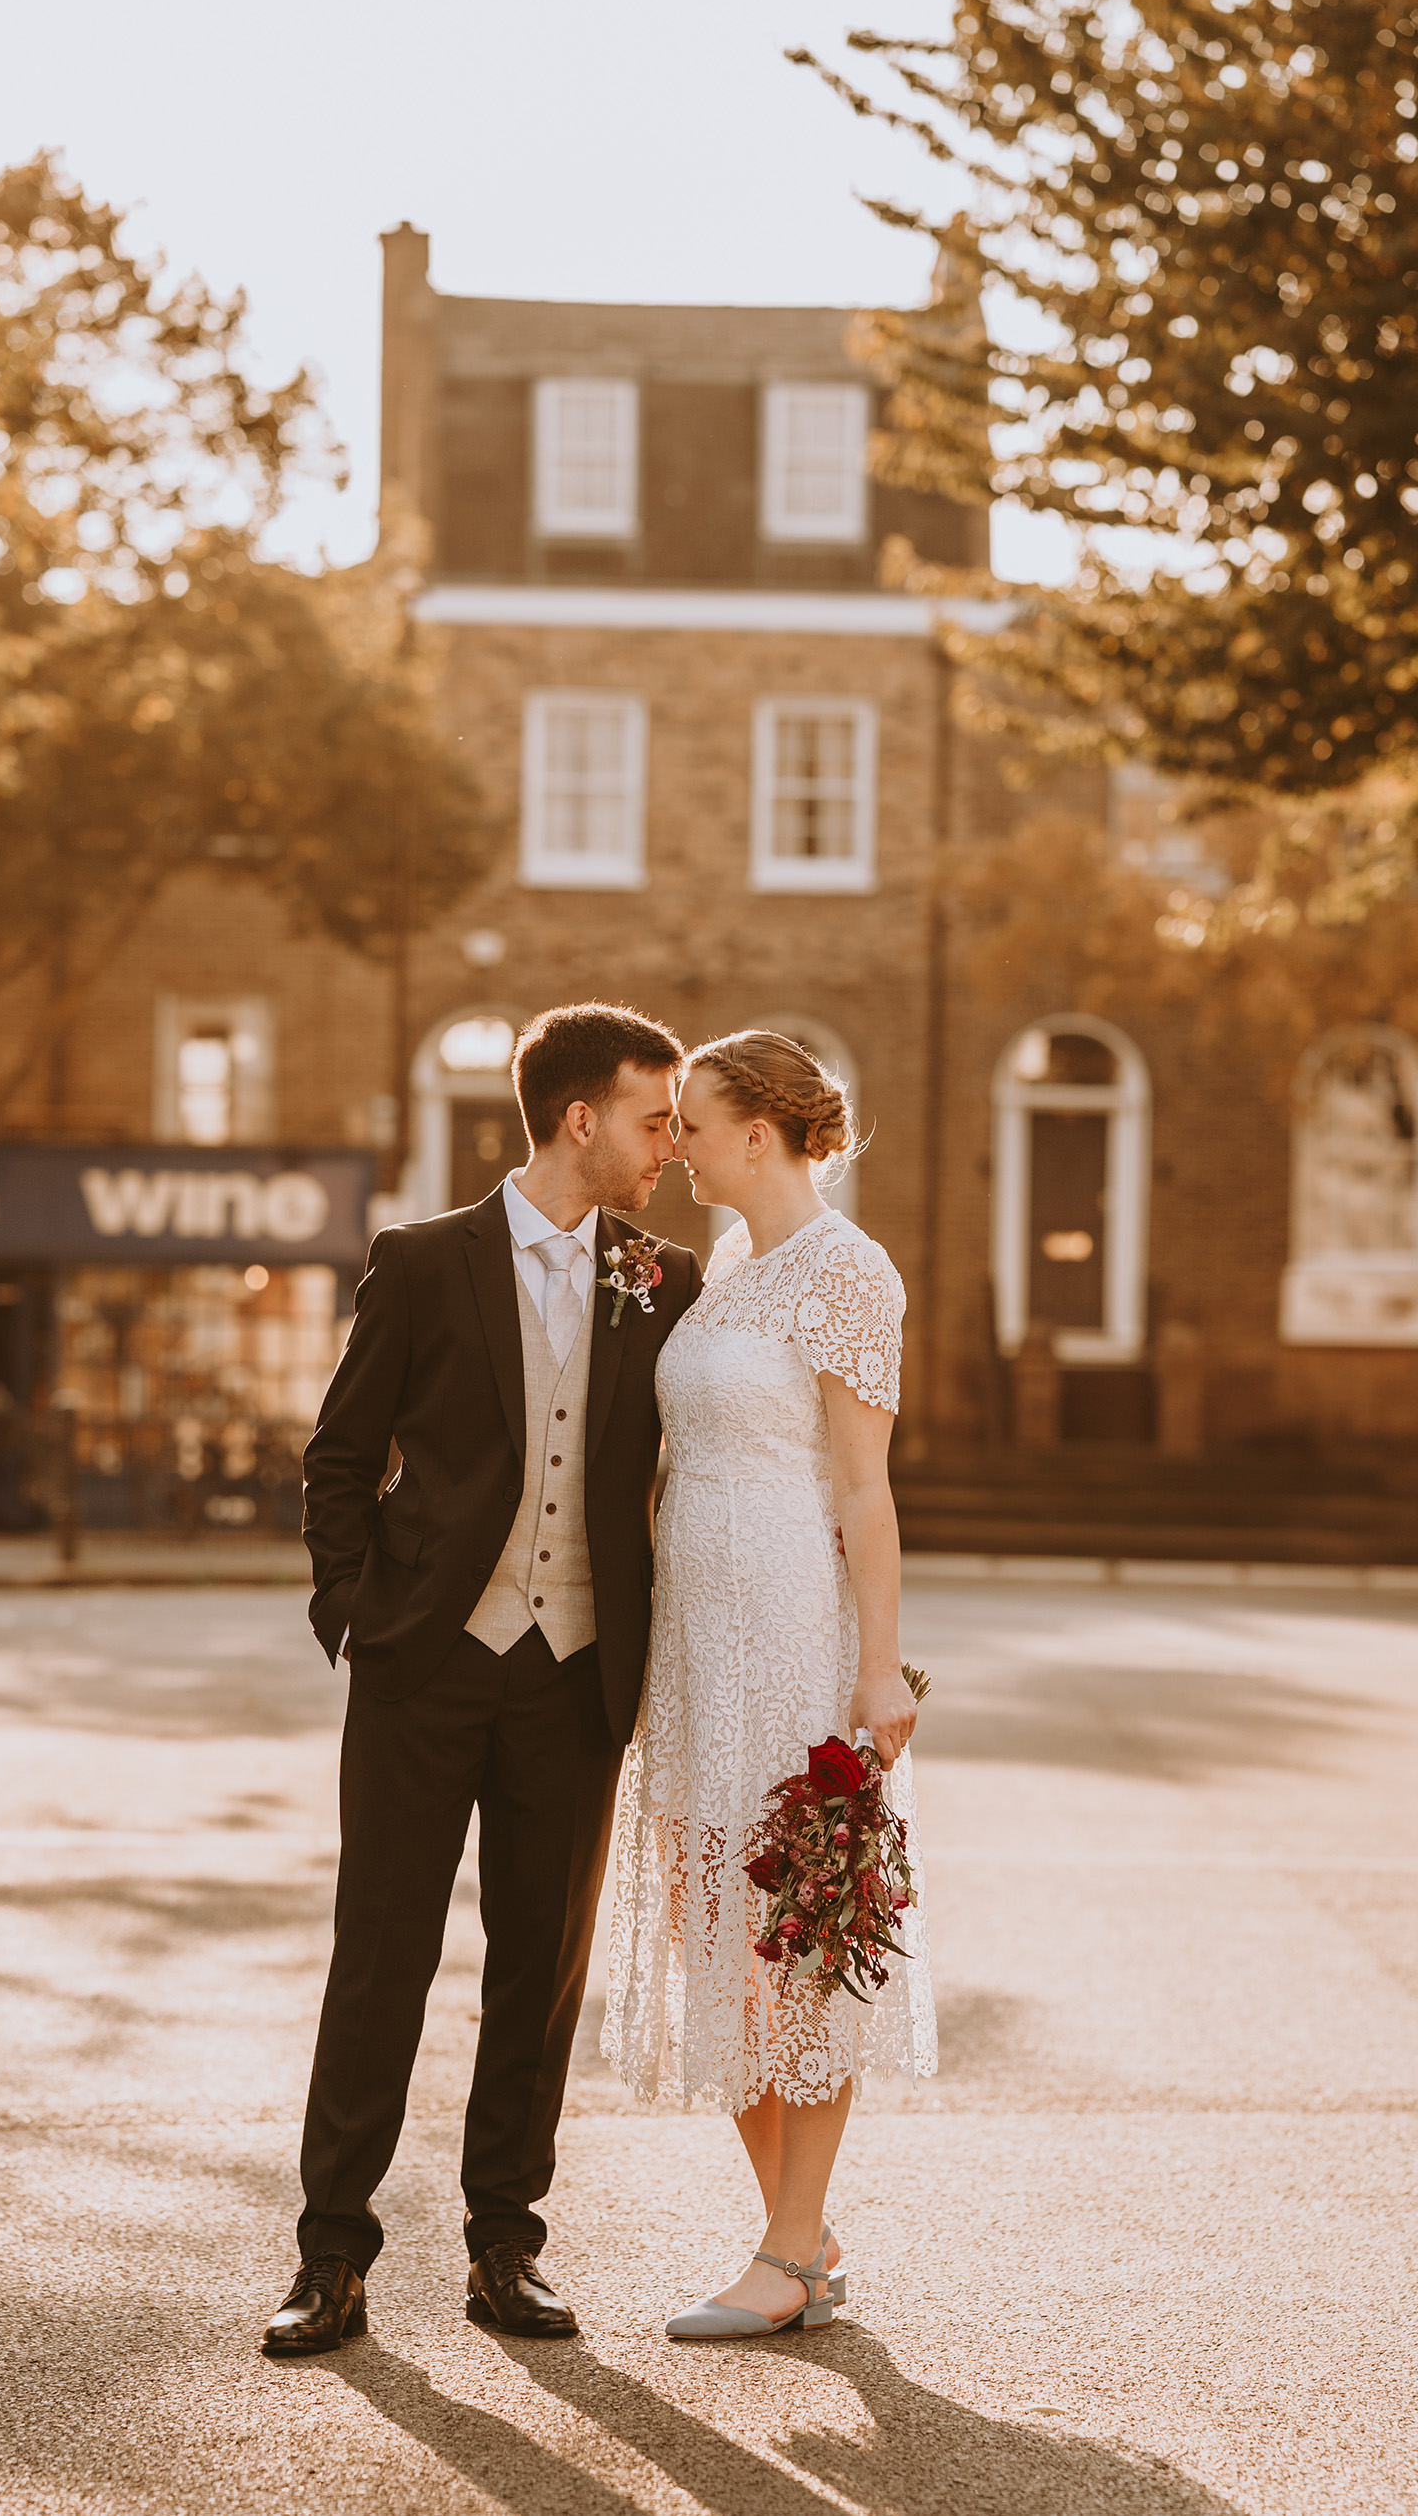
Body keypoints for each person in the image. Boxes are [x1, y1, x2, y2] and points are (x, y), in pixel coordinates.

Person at [263, 1002, 704, 2355]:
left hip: (574, 1679)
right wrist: (357, 1615)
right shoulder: (425, 1259)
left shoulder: (664, 1279)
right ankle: (331, 2256)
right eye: (652, 1117)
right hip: (425, 1670)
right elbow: (338, 1459)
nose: (668, 1146)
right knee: (380, 1957)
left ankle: (505, 2245)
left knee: (540, 1974)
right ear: (580, 1117)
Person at [601, 1030, 935, 2336]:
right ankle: (802, 2234)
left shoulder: (850, 1273)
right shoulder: (726, 1269)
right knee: (710, 1941)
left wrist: (876, 1663)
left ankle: (790, 2252)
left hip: (793, 1629)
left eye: (692, 1119)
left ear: (760, 1131)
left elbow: (865, 1486)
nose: (673, 1141)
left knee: (797, 1941)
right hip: (692, 1642)